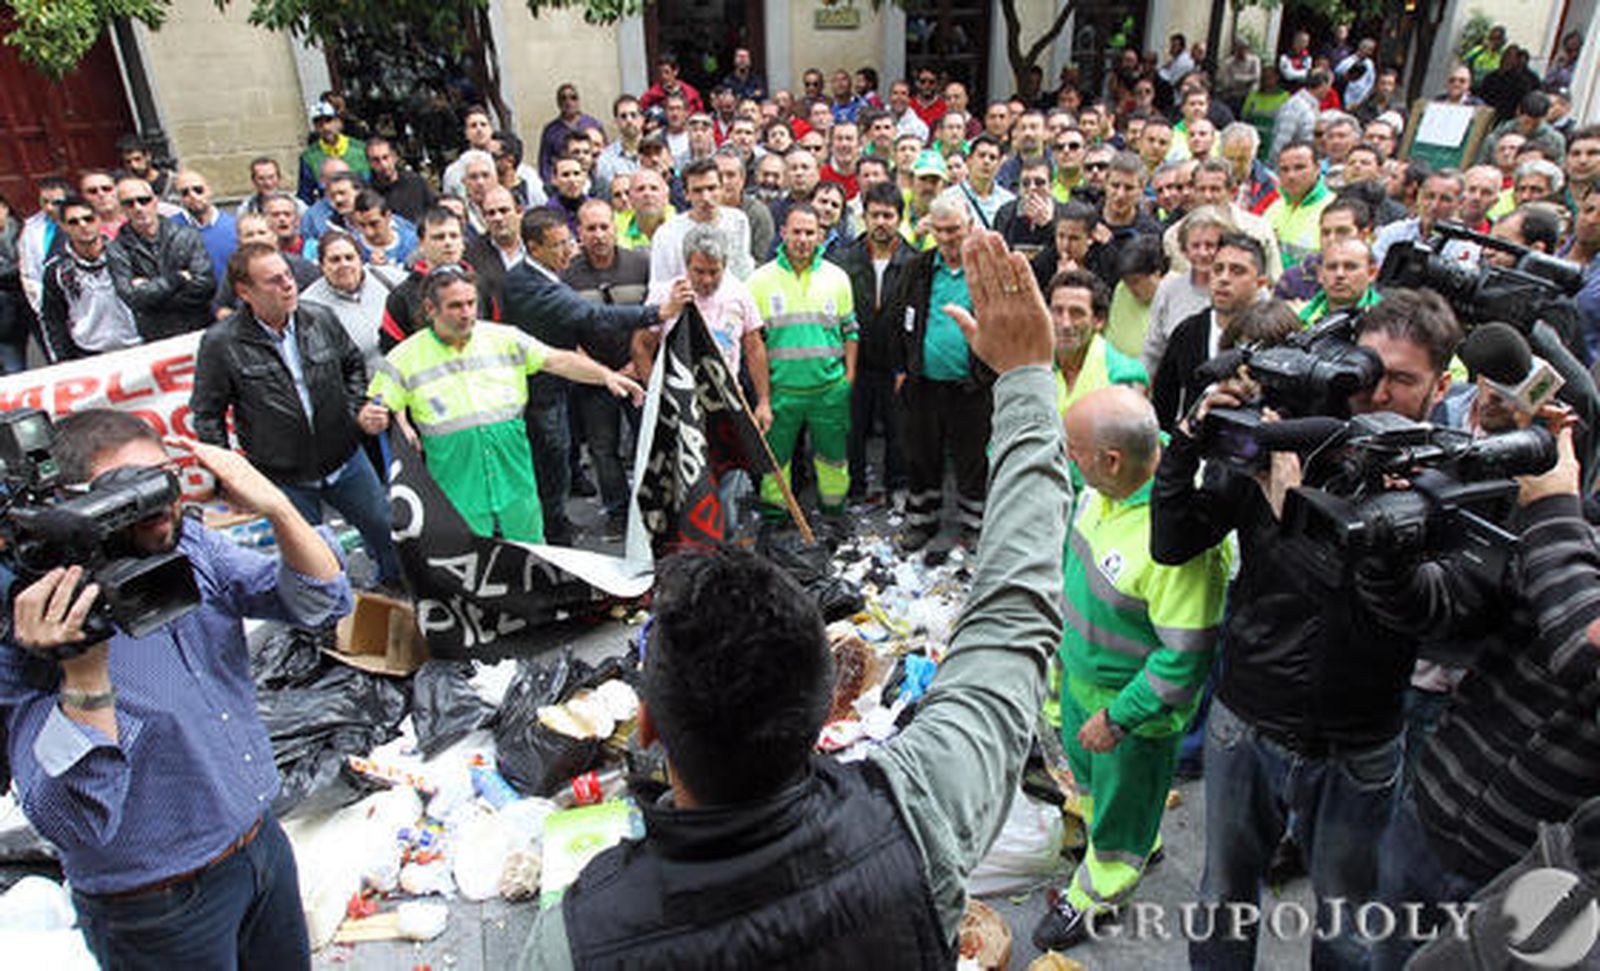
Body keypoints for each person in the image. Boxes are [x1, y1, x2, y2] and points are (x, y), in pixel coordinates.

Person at [518, 228, 1069, 970]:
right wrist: (1030, 379)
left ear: (647, 723)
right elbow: (1012, 618)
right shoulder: (915, 812)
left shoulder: (574, 943)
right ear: (832, 707)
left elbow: (1011, 622)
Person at [1155, 288, 1468, 971]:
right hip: (1247, 717)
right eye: (1366, 372)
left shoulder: (1450, 478)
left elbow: (1406, 610)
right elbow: (1173, 541)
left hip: (1357, 742)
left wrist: (1295, 509)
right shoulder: (1294, 436)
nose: (1375, 392)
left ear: (1441, 384)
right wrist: (1187, 441)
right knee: (1223, 898)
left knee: (1349, 923)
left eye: (1402, 379)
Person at [0, 408, 350, 969]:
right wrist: (84, 673)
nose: (159, 505)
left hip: (259, 847)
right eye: (129, 492)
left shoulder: (189, 548)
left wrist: (279, 507)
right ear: (68, 507)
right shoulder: (38, 623)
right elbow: (73, 821)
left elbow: (320, 601)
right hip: (157, 905)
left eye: (165, 479)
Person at [1032, 385, 1227, 950]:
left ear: (1110, 459)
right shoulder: (1106, 486)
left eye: (1073, 450)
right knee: (1097, 789)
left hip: (1131, 711)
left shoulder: (1178, 543)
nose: (1067, 458)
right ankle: (1127, 836)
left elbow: (1183, 659)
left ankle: (1100, 891)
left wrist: (1118, 718)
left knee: (1123, 802)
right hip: (1082, 681)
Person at [371, 265, 643, 543]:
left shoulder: (504, 338)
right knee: (471, 555)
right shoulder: (404, 356)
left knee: (528, 553)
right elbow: (379, 405)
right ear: (430, 308)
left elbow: (557, 359)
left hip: (513, 475)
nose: (466, 313)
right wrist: (380, 417)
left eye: (470, 303)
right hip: (456, 482)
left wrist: (605, 376)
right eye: (455, 306)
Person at [191, 242, 402, 586]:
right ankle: (331, 621)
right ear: (245, 291)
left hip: (346, 460)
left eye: (288, 276)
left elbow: (352, 365)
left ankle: (394, 590)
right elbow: (208, 414)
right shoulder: (222, 343)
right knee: (312, 562)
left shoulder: (319, 317)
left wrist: (351, 414)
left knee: (383, 528)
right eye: (273, 281)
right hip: (284, 475)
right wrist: (228, 479)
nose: (288, 285)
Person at [501, 209, 690, 545]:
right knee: (556, 463)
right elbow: (590, 315)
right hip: (543, 390)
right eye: (557, 245)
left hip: (570, 380)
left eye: (567, 242)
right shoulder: (529, 284)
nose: (567, 250)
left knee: (565, 457)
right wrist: (658, 312)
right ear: (533, 247)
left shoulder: (550, 273)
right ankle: (554, 537)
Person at [886, 196, 991, 550]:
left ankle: (974, 525)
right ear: (930, 230)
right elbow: (899, 315)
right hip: (923, 383)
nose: (947, 238)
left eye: (955, 230)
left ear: (970, 228)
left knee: (973, 459)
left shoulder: (987, 269)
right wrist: (902, 366)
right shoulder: (918, 267)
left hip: (972, 385)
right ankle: (921, 521)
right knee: (921, 454)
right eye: (940, 230)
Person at [746, 204, 858, 529]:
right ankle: (776, 521)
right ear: (783, 233)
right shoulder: (759, 280)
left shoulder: (837, 278)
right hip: (782, 392)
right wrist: (764, 397)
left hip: (829, 392)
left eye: (810, 232)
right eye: (797, 231)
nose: (803, 239)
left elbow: (851, 330)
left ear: (821, 236)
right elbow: (753, 344)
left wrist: (848, 378)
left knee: (833, 461)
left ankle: (834, 517)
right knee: (775, 464)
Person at [564, 198, 652, 541]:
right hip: (593, 379)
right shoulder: (568, 276)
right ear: (580, 233)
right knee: (603, 449)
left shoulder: (639, 265)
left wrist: (637, 363)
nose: (598, 234)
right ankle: (617, 513)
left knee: (647, 443)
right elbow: (565, 331)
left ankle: (651, 508)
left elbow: (653, 317)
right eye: (591, 228)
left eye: (604, 227)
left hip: (638, 372)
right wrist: (599, 371)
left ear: (615, 228)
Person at [832, 182, 915, 505]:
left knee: (899, 431)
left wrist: (907, 365)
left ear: (899, 218)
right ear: (863, 217)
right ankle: (853, 490)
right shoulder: (844, 260)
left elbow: (917, 317)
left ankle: (897, 486)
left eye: (888, 215)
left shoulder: (913, 261)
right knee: (853, 429)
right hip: (856, 360)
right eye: (874, 215)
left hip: (895, 362)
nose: (881, 222)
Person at [1150, 233, 1268, 431]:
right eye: (1218, 269)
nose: (1223, 279)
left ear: (1260, 283)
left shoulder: (1271, 335)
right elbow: (1164, 403)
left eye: (1237, 271)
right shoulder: (1188, 331)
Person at [108, 176, 216, 341]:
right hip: (157, 337)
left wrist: (151, 292)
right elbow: (132, 299)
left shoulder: (187, 235)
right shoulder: (116, 248)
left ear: (155, 201)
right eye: (129, 203)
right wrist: (178, 279)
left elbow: (206, 286)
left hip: (199, 328)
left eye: (144, 200)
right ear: (121, 209)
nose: (138, 208)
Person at [39, 195, 142, 363]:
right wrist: (62, 360)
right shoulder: (56, 270)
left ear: (99, 220)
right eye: (74, 222)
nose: (83, 226)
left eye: (88, 219)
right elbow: (53, 318)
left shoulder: (128, 254)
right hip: (90, 354)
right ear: (63, 227)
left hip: (138, 345)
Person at [1047, 269, 1148, 421]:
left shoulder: (1124, 374)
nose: (1065, 323)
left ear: (1098, 320)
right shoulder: (1031, 367)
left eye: (1076, 313)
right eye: (1057, 311)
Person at [1144, 206, 1231, 376]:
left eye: (1210, 245)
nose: (1203, 253)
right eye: (1196, 246)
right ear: (1184, 250)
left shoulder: (1243, 289)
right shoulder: (1169, 289)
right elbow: (1153, 348)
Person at [300, 230, 400, 373]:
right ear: (322, 265)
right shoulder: (309, 306)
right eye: (335, 260)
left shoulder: (387, 278)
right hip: (366, 391)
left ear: (360, 260)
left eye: (349, 257)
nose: (344, 264)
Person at [649, 158, 755, 286]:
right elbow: (658, 286)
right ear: (686, 194)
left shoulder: (738, 221)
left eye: (711, 188)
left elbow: (743, 272)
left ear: (722, 189)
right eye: (697, 191)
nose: (705, 197)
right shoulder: (667, 233)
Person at [1264, 140, 1334, 270]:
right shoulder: (1273, 208)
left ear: (1317, 168)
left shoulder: (1334, 210)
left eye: (1300, 167)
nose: (1291, 175)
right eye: (1284, 169)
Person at [298, 102, 369, 205]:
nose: (325, 127)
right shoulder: (309, 157)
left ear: (338, 122)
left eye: (329, 121)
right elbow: (305, 195)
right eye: (319, 124)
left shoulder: (360, 149)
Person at [539, 84, 605, 185]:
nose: (568, 102)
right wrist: (551, 185)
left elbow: (604, 153)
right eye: (563, 98)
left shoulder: (593, 124)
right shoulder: (550, 130)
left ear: (579, 100)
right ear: (558, 102)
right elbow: (544, 163)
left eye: (573, 97)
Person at [365, 136, 435, 225]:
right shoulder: (366, 190)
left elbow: (433, 211)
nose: (383, 164)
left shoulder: (416, 182)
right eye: (376, 160)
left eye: (385, 157)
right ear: (369, 163)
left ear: (394, 157)